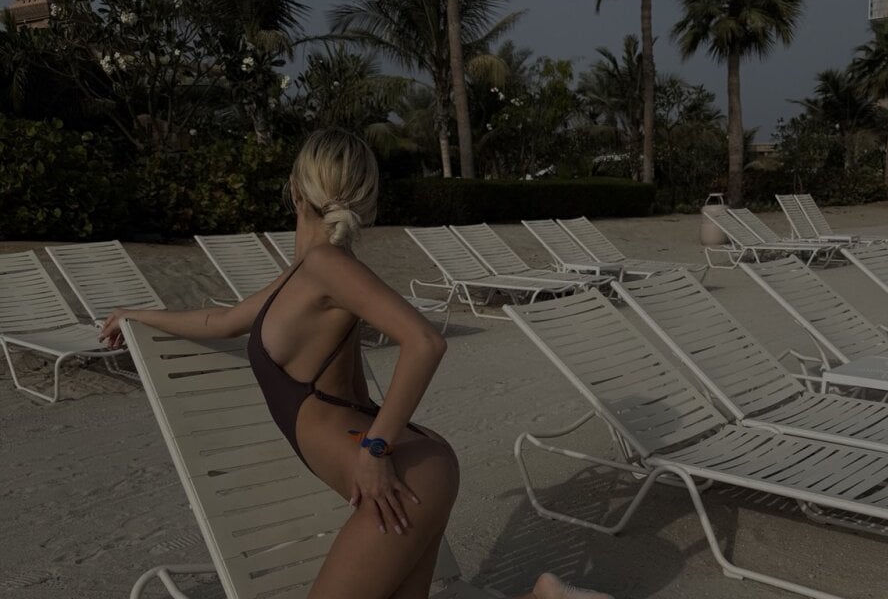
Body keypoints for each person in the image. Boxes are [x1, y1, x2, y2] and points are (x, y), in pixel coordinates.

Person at [100, 129, 613, 599]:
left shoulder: (327, 265)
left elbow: (425, 343)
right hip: (416, 467)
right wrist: (136, 315)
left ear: (294, 190)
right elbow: (223, 321)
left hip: (399, 472)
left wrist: (374, 449)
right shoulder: (305, 273)